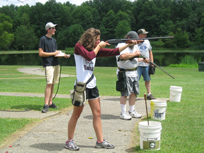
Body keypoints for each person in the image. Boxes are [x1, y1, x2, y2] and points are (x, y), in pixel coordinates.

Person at [65, 28, 137, 151]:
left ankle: (100, 141)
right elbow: (89, 56)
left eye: (99, 40)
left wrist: (128, 44)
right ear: (90, 39)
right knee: (76, 115)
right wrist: (99, 47)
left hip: (92, 85)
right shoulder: (79, 47)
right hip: (81, 86)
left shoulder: (95, 49)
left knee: (97, 113)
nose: (99, 42)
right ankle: (69, 141)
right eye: (97, 40)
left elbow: (114, 52)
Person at [116, 31, 148, 120]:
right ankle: (123, 112)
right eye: (135, 40)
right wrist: (135, 54)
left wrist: (142, 59)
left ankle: (132, 110)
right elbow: (123, 56)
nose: (137, 42)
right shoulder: (121, 45)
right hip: (125, 73)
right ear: (129, 38)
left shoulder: (135, 46)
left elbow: (135, 58)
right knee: (125, 93)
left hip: (134, 72)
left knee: (134, 92)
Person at [39, 22, 70, 113]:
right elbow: (41, 53)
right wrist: (53, 53)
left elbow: (56, 52)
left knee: (52, 83)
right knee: (49, 83)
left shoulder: (54, 40)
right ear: (48, 29)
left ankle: (50, 102)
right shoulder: (43, 39)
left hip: (56, 63)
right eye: (53, 28)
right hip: (48, 64)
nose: (55, 30)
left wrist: (64, 55)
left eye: (54, 28)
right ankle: (45, 105)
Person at [137, 29, 156, 100]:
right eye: (144, 34)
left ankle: (149, 94)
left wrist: (152, 62)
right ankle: (134, 94)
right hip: (138, 64)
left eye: (145, 34)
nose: (145, 35)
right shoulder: (135, 42)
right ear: (139, 35)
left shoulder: (147, 41)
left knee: (147, 80)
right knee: (136, 80)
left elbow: (150, 51)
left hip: (147, 65)